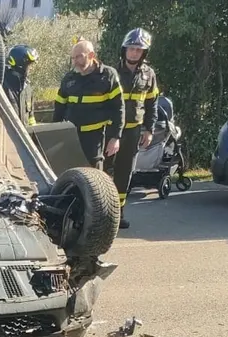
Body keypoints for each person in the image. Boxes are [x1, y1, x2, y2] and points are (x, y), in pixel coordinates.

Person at [104, 28, 160, 230]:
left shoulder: (149, 75)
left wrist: (149, 129)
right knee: (103, 171)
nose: (134, 52)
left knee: (124, 173)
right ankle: (100, 212)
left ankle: (118, 214)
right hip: (110, 131)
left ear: (144, 53)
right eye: (131, 48)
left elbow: (152, 104)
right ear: (124, 49)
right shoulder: (111, 72)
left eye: (138, 49)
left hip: (133, 131)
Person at [52, 39, 124, 171]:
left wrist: (116, 137)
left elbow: (119, 108)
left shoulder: (107, 75)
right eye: (73, 58)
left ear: (91, 55)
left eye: (79, 57)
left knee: (94, 175)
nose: (75, 62)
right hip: (71, 136)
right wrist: (54, 136)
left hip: (95, 138)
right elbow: (59, 109)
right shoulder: (69, 78)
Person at [2, 45, 39, 126]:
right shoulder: (2, 86)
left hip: (23, 136)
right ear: (21, 65)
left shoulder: (27, 88)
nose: (32, 68)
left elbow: (31, 117)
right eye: (30, 65)